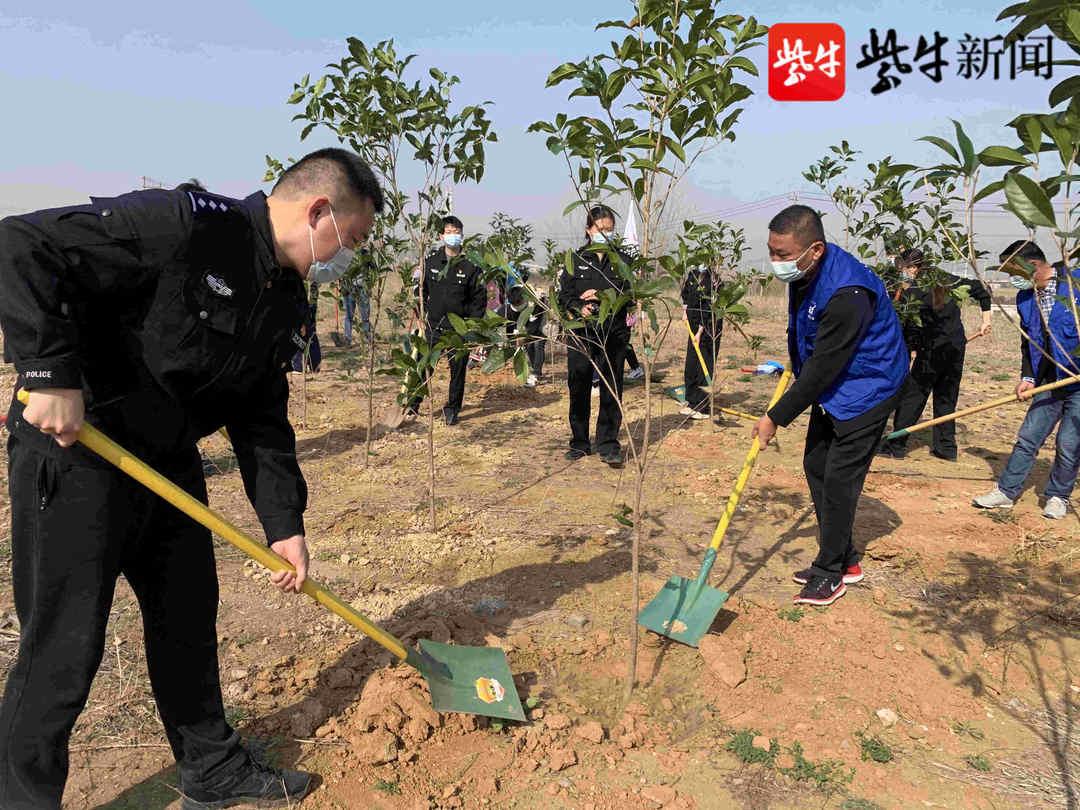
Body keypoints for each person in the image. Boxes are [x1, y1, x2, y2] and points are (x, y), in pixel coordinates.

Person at [0, 147, 382, 808]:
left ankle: (212, 768)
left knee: (187, 619)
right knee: (64, 646)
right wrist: (48, 372)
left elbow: (262, 414)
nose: (346, 256)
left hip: (168, 463)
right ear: (319, 211)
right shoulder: (185, 224)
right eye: (351, 240)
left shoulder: (286, 296)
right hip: (82, 455)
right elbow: (21, 244)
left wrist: (284, 524)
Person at [752, 205, 909, 607]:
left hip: (869, 388)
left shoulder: (847, 294)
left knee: (839, 480)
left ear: (815, 249)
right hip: (838, 383)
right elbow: (809, 334)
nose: (776, 262)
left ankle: (829, 572)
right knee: (815, 465)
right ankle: (846, 559)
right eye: (772, 251)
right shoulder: (808, 274)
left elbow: (824, 367)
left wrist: (775, 416)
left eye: (783, 254)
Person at [973, 242, 1080, 519]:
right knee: (1028, 437)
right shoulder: (1025, 299)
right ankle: (1007, 492)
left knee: (1069, 444)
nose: (1011, 279)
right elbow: (1029, 342)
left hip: (1078, 383)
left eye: (1012, 271)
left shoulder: (1074, 285)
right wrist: (1028, 377)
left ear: (1032, 264)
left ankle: (1058, 496)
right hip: (1049, 381)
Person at [879, 248, 993, 460]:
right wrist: (986, 320)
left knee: (914, 396)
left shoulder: (914, 291)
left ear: (913, 267)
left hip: (932, 350)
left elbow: (908, 326)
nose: (903, 273)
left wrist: (907, 349)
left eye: (903, 269)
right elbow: (979, 288)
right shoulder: (946, 279)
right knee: (946, 397)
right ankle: (946, 449)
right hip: (955, 346)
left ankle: (895, 446)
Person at [557, 204, 634, 466]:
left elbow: (630, 294)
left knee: (612, 387)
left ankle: (608, 443)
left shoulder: (623, 261)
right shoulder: (575, 260)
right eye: (600, 229)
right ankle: (579, 442)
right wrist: (580, 306)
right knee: (578, 385)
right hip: (582, 331)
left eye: (610, 230)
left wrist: (602, 297)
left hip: (613, 331)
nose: (606, 234)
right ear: (588, 230)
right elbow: (563, 296)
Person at [411, 215, 486, 425]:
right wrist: (419, 314)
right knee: (425, 366)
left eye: (456, 232)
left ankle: (452, 408)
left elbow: (478, 301)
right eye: (449, 232)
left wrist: (472, 328)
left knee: (458, 371)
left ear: (462, 236)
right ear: (441, 236)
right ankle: (413, 403)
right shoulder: (431, 262)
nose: (453, 236)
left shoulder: (471, 267)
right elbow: (420, 291)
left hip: (458, 330)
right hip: (433, 327)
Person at [681, 264, 723, 420]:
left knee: (703, 366)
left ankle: (701, 407)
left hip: (708, 331)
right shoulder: (692, 274)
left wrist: (700, 331)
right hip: (693, 326)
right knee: (691, 365)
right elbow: (685, 294)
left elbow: (709, 309)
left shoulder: (715, 281)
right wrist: (684, 310)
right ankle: (692, 401)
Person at [496, 284, 545, 386]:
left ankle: (535, 373)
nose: (520, 304)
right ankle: (532, 369)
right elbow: (495, 326)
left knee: (536, 344)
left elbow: (535, 327)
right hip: (517, 336)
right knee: (529, 347)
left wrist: (523, 334)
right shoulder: (505, 311)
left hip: (537, 330)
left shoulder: (535, 306)